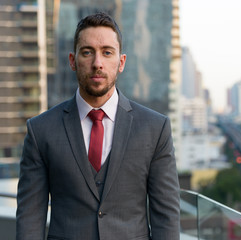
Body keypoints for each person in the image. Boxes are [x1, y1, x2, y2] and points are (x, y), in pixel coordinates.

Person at [16, 12, 180, 240]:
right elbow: (30, 220)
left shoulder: (155, 128)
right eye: (87, 52)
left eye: (107, 52)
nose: (97, 63)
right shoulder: (40, 130)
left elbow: (167, 219)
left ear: (121, 62)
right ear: (72, 61)